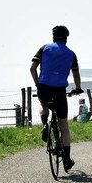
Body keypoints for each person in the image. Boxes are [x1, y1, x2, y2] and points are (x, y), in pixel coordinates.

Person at [30, 25, 82, 171]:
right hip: (59, 90)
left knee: (43, 103)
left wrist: (37, 84)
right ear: (66, 38)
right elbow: (76, 74)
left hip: (44, 87)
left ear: (53, 37)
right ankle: (66, 159)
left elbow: (32, 68)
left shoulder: (44, 48)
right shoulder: (71, 54)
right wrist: (78, 88)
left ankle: (45, 123)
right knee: (64, 126)